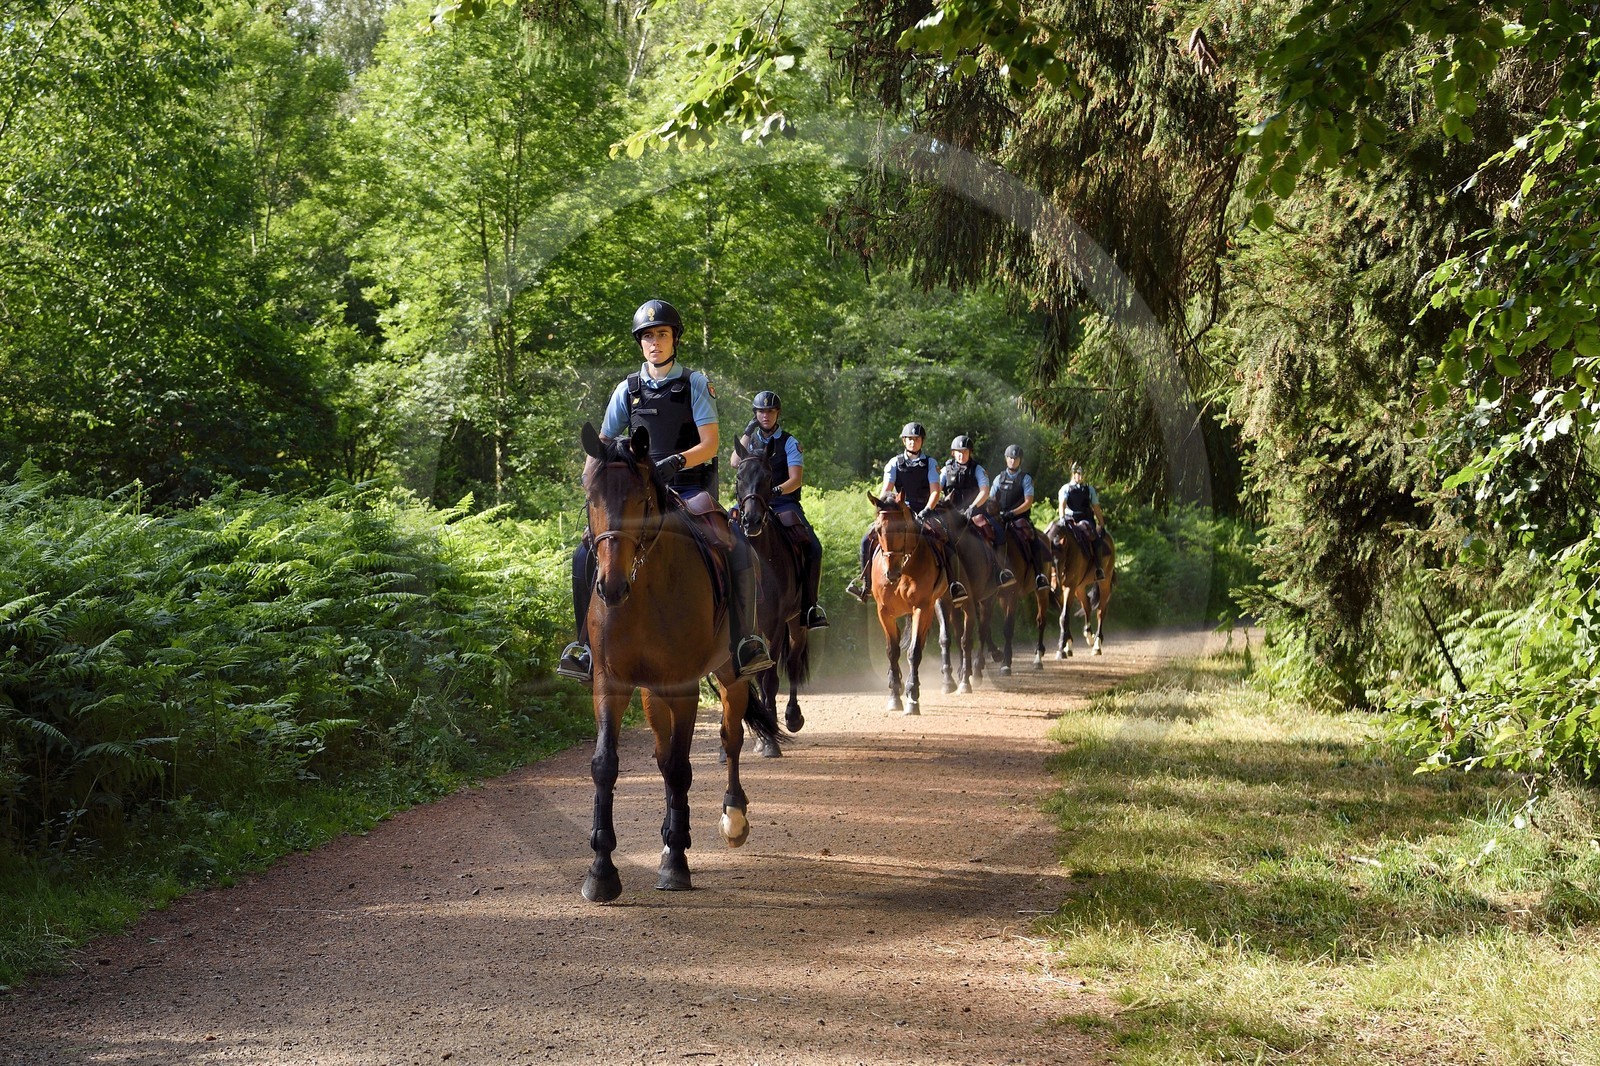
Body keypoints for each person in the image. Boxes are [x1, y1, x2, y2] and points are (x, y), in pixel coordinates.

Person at [556, 299, 775, 682]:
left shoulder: (694, 383)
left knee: (738, 545)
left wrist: (674, 462)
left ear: (675, 339)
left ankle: (745, 643)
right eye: (647, 337)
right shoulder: (627, 389)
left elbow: (709, 444)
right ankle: (584, 649)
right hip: (637, 493)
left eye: (661, 334)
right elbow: (603, 443)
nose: (654, 342)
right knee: (582, 552)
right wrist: (591, 482)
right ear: (640, 343)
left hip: (689, 487)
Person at [733, 390, 828, 629]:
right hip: (750, 502)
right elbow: (735, 462)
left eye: (770, 411)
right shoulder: (751, 439)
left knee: (814, 548)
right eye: (761, 412)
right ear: (755, 414)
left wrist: (775, 491)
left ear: (778, 414)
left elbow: (795, 479)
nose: (766, 416)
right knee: (721, 535)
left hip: (782, 501)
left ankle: (809, 607)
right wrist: (747, 431)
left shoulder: (790, 442)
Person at [846, 422, 964, 603]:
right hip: (899, 512)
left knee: (945, 537)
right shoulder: (894, 463)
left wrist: (926, 510)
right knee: (867, 538)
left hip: (925, 509)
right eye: (910, 439)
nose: (913, 442)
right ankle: (866, 585)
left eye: (916, 439)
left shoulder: (930, 463)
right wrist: (885, 508)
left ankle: (954, 584)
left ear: (921, 441)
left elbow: (935, 491)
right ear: (904, 441)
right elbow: (886, 491)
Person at [939, 435, 1014, 588]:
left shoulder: (978, 469)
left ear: (970, 452)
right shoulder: (945, 470)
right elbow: (936, 489)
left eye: (965, 451)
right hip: (951, 515)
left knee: (998, 532)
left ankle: (1000, 571)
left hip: (974, 512)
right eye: (958, 451)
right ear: (953, 453)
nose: (961, 454)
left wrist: (972, 506)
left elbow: (984, 491)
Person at [988, 444, 1051, 590]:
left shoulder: (1025, 479)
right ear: (1006, 459)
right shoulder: (999, 478)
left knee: (1033, 537)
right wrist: (993, 512)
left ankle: (1039, 575)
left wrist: (1013, 513)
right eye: (1010, 458)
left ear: (1020, 460)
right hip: (1000, 518)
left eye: (1015, 458)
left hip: (1019, 518)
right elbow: (991, 498)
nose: (1012, 461)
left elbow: (1028, 502)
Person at [1057, 461, 1108, 580]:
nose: (1081, 476)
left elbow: (1096, 507)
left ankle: (1099, 568)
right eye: (1078, 473)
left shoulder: (1089, 490)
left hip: (1085, 519)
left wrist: (1101, 524)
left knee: (1095, 537)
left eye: (1082, 474)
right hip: (1069, 519)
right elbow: (1062, 505)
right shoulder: (1066, 488)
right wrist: (1062, 518)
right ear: (1073, 474)